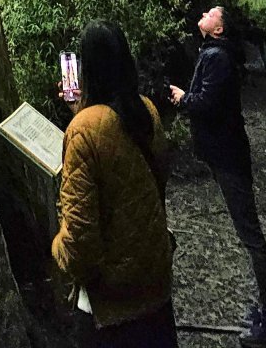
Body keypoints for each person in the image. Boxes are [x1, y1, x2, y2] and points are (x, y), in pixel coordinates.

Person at [53, 22, 178, 348]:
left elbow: (80, 241)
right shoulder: (146, 110)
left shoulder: (83, 131)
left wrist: (56, 249)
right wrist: (81, 110)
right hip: (153, 283)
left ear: (87, 68)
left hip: (109, 305)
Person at [169, 5, 266, 348]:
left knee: (251, 237)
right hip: (224, 154)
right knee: (247, 235)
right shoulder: (214, 52)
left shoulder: (217, 57)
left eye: (211, 13)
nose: (204, 14)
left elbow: (207, 103)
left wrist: (182, 98)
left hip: (229, 157)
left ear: (218, 29)